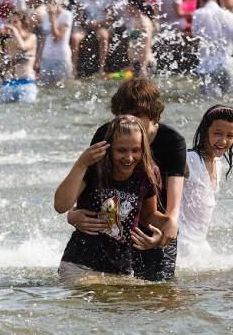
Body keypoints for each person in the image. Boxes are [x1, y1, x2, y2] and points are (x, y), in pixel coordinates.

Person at [68, 78, 186, 282]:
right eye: (124, 114)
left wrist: (168, 228)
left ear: (153, 115)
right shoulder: (108, 133)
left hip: (152, 222)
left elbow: (173, 204)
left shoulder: (172, 141)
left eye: (138, 115)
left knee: (159, 290)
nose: (131, 121)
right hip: (116, 223)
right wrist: (73, 215)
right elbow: (89, 183)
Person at [55, 115, 173, 285]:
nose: (129, 157)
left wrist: (165, 229)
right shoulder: (95, 168)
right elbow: (60, 206)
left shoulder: (147, 172)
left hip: (120, 269)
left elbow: (148, 215)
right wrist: (81, 164)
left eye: (136, 150)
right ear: (109, 148)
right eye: (121, 150)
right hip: (80, 264)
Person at [178, 105, 233, 258]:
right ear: (205, 132)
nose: (223, 140)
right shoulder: (189, 160)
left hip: (201, 244)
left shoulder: (217, 163)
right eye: (217, 133)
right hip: (183, 243)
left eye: (230, 136)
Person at [191, 0, 233, 96]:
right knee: (228, 102)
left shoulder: (198, 13)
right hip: (226, 65)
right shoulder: (230, 15)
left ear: (200, 1)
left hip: (207, 66)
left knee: (207, 105)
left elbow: (195, 37)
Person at [35, 0, 73, 84]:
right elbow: (43, 40)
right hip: (46, 58)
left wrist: (52, 17)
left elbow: (57, 36)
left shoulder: (66, 15)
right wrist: (37, 61)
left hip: (61, 59)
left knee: (61, 90)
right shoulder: (44, 16)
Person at [0, 9, 38, 102]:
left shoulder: (32, 37)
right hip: (9, 83)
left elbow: (23, 47)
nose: (11, 25)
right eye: (9, 22)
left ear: (23, 23)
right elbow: (3, 65)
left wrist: (14, 31)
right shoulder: (8, 41)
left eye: (15, 22)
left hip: (26, 83)